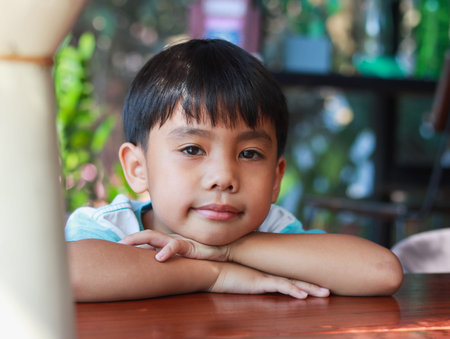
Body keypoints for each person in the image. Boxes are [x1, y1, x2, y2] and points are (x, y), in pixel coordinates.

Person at [66, 39, 403, 302]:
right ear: (138, 168)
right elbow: (65, 274)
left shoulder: (273, 230)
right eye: (192, 149)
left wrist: (228, 250)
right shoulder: (113, 228)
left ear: (275, 178)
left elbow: (381, 272)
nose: (224, 177)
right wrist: (215, 275)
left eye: (250, 153)